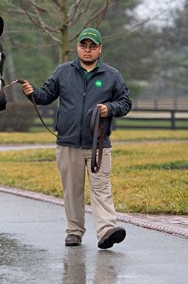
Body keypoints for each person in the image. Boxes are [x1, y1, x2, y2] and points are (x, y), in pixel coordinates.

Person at [21, 28, 132, 249]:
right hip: (68, 143)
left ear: (100, 49)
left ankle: (107, 230)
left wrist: (108, 108)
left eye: (92, 47)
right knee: (72, 191)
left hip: (98, 144)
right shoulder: (62, 72)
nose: (88, 50)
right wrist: (31, 92)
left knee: (101, 188)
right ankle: (74, 231)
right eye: (84, 46)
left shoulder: (112, 75)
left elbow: (125, 103)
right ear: (78, 48)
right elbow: (45, 96)